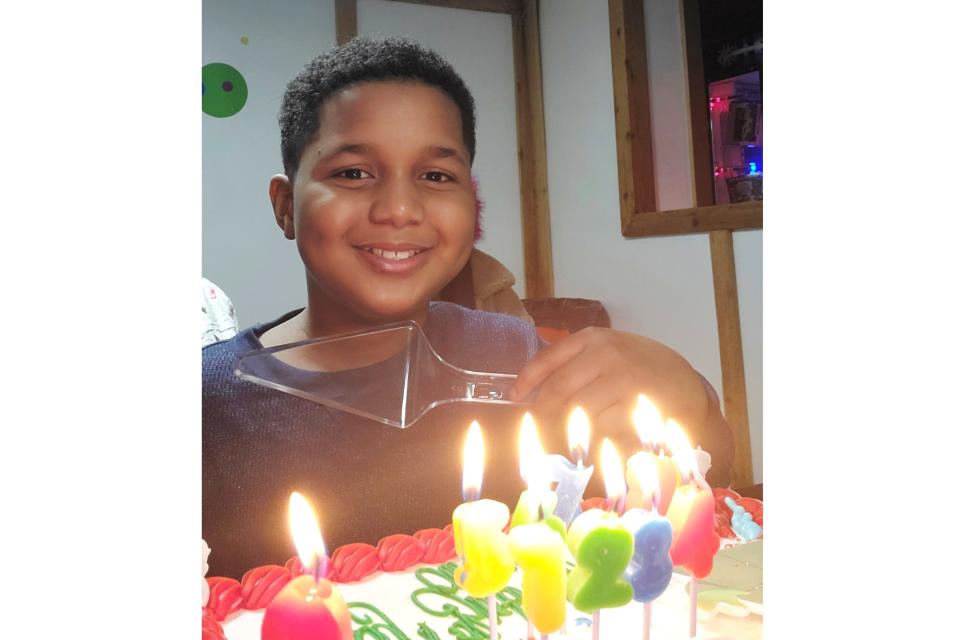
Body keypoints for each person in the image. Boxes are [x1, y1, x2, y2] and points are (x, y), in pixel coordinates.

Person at [203, 36, 733, 578]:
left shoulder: (518, 356)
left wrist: (689, 399)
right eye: (353, 173)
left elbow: (681, 499)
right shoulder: (207, 405)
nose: (400, 210)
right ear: (286, 205)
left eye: (436, 176)